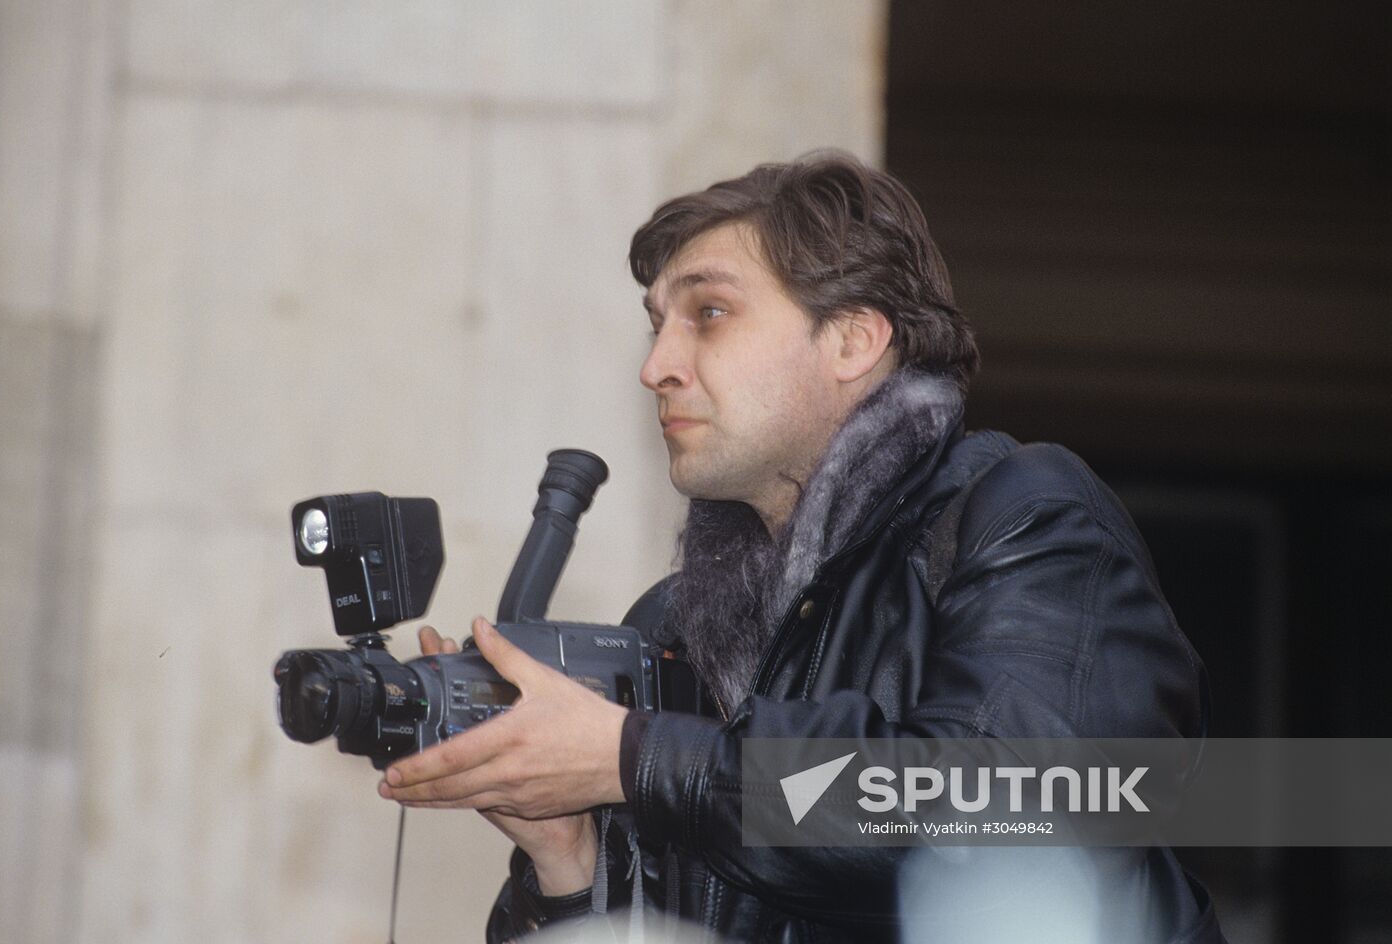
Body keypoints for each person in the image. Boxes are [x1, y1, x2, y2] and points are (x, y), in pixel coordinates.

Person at [378, 153, 1225, 942]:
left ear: (854, 340)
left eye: (709, 313)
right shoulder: (673, 620)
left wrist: (630, 757)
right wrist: (566, 862)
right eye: (656, 326)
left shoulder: (1022, 512)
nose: (657, 366)